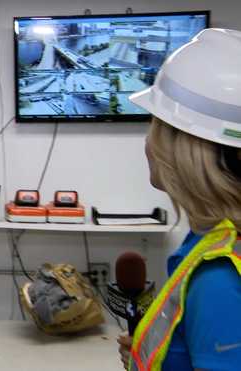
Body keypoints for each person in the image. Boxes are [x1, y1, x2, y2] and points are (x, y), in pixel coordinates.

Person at [117, 28, 241, 371]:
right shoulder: (213, 237)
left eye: (156, 125)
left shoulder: (219, 278)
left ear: (184, 148)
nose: (147, 143)